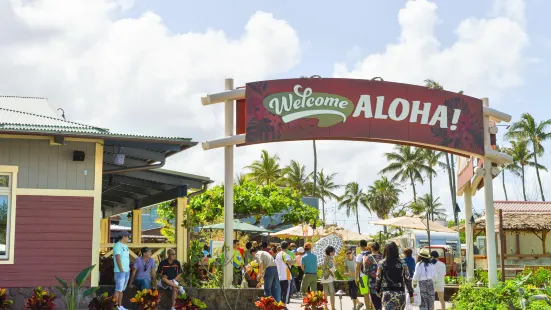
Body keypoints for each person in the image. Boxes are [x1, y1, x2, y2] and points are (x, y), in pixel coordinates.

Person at [375, 242, 414, 310]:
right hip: (400, 294)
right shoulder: (403, 263)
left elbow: (378, 278)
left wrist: (377, 290)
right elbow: (407, 279)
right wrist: (411, 294)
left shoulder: (381, 263)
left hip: (387, 293)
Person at [113, 231, 131, 310]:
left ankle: (120, 306)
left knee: (122, 290)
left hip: (127, 271)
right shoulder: (117, 245)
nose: (128, 238)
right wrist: (121, 269)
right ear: (123, 236)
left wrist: (128, 269)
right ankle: (115, 306)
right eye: (127, 236)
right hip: (120, 271)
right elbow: (117, 258)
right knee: (118, 289)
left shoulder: (126, 246)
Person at [365, 242, 383, 310]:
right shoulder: (382, 257)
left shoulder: (368, 258)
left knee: (374, 300)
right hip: (380, 282)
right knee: (380, 300)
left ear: (371, 248)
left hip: (372, 281)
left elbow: (365, 271)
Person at [356, 240, 372, 310]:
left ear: (360, 246)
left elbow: (357, 268)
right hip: (371, 275)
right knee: (372, 293)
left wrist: (356, 277)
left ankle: (368, 308)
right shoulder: (371, 254)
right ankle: (372, 307)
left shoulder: (360, 255)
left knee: (365, 294)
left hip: (362, 276)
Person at [321, 246, 337, 310]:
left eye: (333, 251)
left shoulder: (325, 258)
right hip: (329, 277)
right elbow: (330, 268)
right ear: (329, 252)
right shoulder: (330, 259)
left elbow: (324, 267)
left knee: (325, 294)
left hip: (324, 277)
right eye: (332, 251)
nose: (333, 252)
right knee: (332, 293)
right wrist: (333, 275)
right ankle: (333, 308)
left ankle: (326, 307)